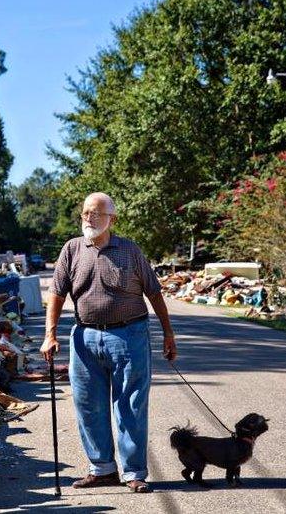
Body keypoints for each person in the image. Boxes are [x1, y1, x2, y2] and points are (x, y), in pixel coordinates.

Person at [41, 192, 177, 494]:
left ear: (111, 219)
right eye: (86, 213)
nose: (89, 218)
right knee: (88, 405)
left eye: (96, 214)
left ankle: (133, 473)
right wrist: (50, 334)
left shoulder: (129, 250)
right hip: (84, 337)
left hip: (129, 335)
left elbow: (154, 292)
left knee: (130, 405)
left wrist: (168, 333)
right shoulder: (72, 249)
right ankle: (101, 469)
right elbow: (57, 294)